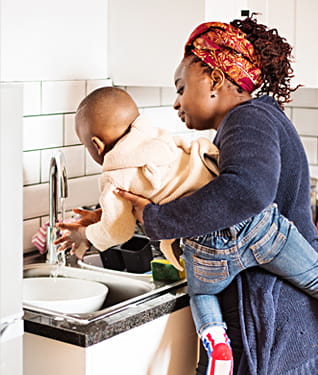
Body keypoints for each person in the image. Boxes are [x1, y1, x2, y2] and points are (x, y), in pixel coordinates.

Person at [56, 82, 318, 373]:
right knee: (313, 274)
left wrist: (86, 234)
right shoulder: (160, 136)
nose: (177, 102)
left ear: (96, 145)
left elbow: (117, 231)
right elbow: (202, 150)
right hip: (257, 229)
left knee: (203, 295)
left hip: (207, 248)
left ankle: (215, 338)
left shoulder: (114, 176)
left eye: (181, 88)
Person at [113, 15, 318, 375]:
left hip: (269, 321)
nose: (177, 103)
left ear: (215, 80)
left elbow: (245, 190)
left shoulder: (247, 118)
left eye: (180, 88)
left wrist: (157, 219)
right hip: (282, 322)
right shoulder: (258, 118)